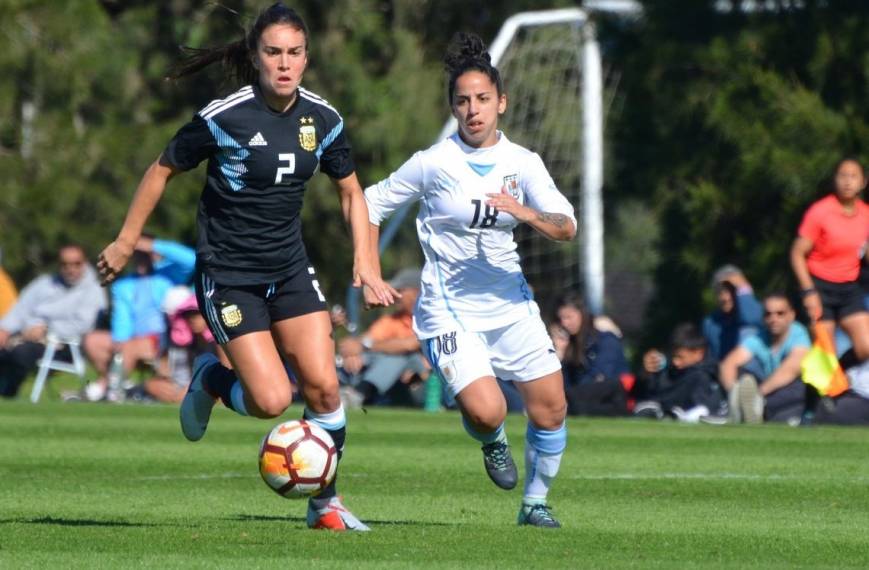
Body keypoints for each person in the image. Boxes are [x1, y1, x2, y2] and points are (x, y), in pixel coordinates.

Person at [96, 3, 394, 531]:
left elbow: (350, 191)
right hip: (229, 275)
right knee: (272, 400)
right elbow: (161, 169)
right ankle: (212, 379)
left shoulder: (323, 120)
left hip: (290, 269)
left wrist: (366, 262)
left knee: (325, 389)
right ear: (256, 56)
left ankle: (326, 505)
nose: (285, 64)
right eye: (273, 52)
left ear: (307, 57)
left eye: (294, 53)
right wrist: (125, 241)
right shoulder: (224, 116)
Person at [364, 32, 577, 528]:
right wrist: (368, 269)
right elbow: (370, 202)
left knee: (552, 409)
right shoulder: (434, 162)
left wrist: (525, 212)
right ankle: (492, 440)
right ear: (453, 109)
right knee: (488, 411)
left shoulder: (523, 164)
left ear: (501, 103)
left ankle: (535, 504)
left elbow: (567, 226)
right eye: (463, 101)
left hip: (511, 303)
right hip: (449, 308)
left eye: (482, 99)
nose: (473, 110)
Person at [0, 244, 106, 398]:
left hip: (63, 346)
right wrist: (4, 329)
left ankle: (8, 391)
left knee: (19, 354)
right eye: (65, 264)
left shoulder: (94, 290)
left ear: (84, 263)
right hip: (26, 336)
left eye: (76, 264)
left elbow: (84, 325)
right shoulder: (44, 284)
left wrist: (46, 330)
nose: (71, 269)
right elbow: (20, 310)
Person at [790, 157, 869, 361]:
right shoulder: (821, 211)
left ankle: (843, 371)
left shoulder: (865, 214)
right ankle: (822, 388)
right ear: (835, 180)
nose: (848, 182)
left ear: (863, 182)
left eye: (853, 176)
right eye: (843, 176)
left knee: (866, 346)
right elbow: (797, 253)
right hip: (819, 286)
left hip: (849, 288)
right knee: (825, 353)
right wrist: (808, 291)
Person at [337, 267, 429, 406]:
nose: (395, 295)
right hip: (399, 385)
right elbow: (357, 343)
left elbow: (408, 345)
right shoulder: (393, 319)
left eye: (400, 290)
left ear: (416, 292)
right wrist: (354, 352)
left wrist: (365, 345)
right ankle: (352, 392)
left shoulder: (431, 318)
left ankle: (360, 393)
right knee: (375, 356)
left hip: (428, 384)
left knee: (399, 355)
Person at [719, 293, 811, 424]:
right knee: (743, 375)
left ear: (792, 315)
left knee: (798, 388)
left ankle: (756, 410)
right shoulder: (759, 337)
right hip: (767, 393)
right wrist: (734, 394)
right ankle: (744, 410)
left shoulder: (799, 333)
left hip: (790, 390)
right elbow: (729, 364)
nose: (773, 318)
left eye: (780, 313)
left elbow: (791, 369)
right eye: (768, 314)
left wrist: (758, 395)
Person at [554, 292, 630, 417]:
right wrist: (560, 355)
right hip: (582, 399)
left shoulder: (606, 339)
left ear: (582, 315)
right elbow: (566, 382)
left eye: (568, 317)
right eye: (561, 318)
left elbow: (601, 377)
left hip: (613, 396)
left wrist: (566, 396)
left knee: (574, 404)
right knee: (575, 407)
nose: (564, 323)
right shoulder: (571, 344)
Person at [634, 323, 724, 422]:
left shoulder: (705, 376)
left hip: (692, 413)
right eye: (673, 356)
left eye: (680, 357)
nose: (675, 362)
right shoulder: (668, 371)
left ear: (699, 353)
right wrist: (645, 374)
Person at [701, 265, 763, 361]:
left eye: (731, 292)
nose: (725, 298)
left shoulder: (757, 312)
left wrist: (743, 287)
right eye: (720, 292)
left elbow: (752, 318)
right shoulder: (710, 322)